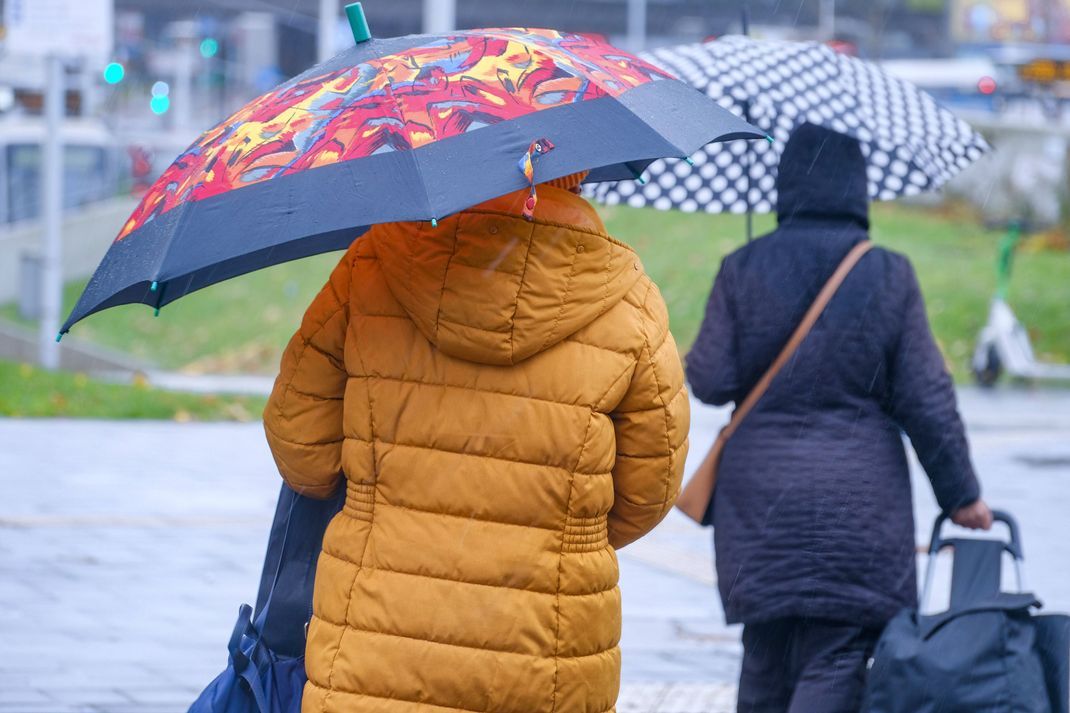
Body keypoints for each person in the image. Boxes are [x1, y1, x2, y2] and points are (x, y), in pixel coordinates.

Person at [263, 171, 688, 713]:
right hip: (546, 651)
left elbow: (301, 447)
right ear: (577, 176)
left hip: (374, 635)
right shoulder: (630, 302)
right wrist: (564, 530)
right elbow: (648, 491)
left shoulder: (371, 266)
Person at [685, 123, 992, 713]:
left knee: (765, 659)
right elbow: (925, 398)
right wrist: (961, 495)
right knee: (840, 656)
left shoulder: (742, 267)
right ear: (857, 188)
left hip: (760, 507)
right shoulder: (888, 274)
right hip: (858, 505)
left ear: (785, 186)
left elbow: (710, 379)